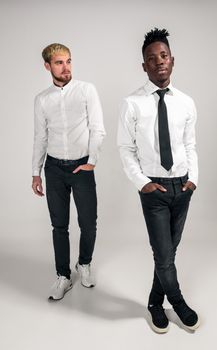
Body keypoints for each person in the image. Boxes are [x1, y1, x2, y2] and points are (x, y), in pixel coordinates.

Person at [118, 28, 200, 333]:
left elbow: (190, 145)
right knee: (163, 255)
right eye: (151, 59)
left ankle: (154, 301)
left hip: (183, 186)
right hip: (154, 188)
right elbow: (125, 148)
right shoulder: (132, 103)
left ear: (172, 60)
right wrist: (143, 183)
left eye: (163, 56)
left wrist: (193, 180)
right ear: (144, 66)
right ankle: (177, 302)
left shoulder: (186, 102)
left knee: (168, 253)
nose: (159, 62)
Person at [32, 43, 105, 300]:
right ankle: (63, 275)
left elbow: (97, 128)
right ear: (48, 66)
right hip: (53, 169)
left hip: (81, 166)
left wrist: (92, 160)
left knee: (88, 223)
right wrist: (35, 173)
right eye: (60, 63)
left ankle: (83, 264)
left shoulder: (86, 90)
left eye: (69, 61)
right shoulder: (42, 99)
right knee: (59, 225)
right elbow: (40, 137)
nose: (66, 68)